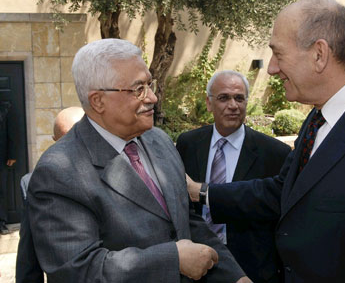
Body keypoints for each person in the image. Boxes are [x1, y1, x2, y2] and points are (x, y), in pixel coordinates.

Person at [187, 0, 345, 282]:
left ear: (319, 54)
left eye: (278, 54)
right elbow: (285, 193)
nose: (271, 68)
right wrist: (200, 192)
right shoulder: (318, 118)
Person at [27, 38, 250, 283]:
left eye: (150, 84)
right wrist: (172, 259)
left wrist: (236, 277)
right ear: (98, 101)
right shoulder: (58, 172)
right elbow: (79, 270)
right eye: (138, 89)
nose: (153, 98)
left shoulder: (159, 142)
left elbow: (185, 221)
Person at [176, 70, 291, 283]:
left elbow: (275, 209)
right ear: (209, 103)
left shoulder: (275, 153)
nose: (233, 105)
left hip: (250, 268)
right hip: (195, 264)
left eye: (239, 98)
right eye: (223, 98)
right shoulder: (188, 144)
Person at [16, 106, 85, 283]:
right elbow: (28, 259)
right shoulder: (34, 184)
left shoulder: (120, 172)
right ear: (55, 141)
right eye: (66, 140)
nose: (74, 146)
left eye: (80, 138)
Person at [0, 100, 16, 235]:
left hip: (1, 156)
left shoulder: (5, 107)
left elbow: (11, 132)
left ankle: (1, 221)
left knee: (1, 191)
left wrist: (11, 154)